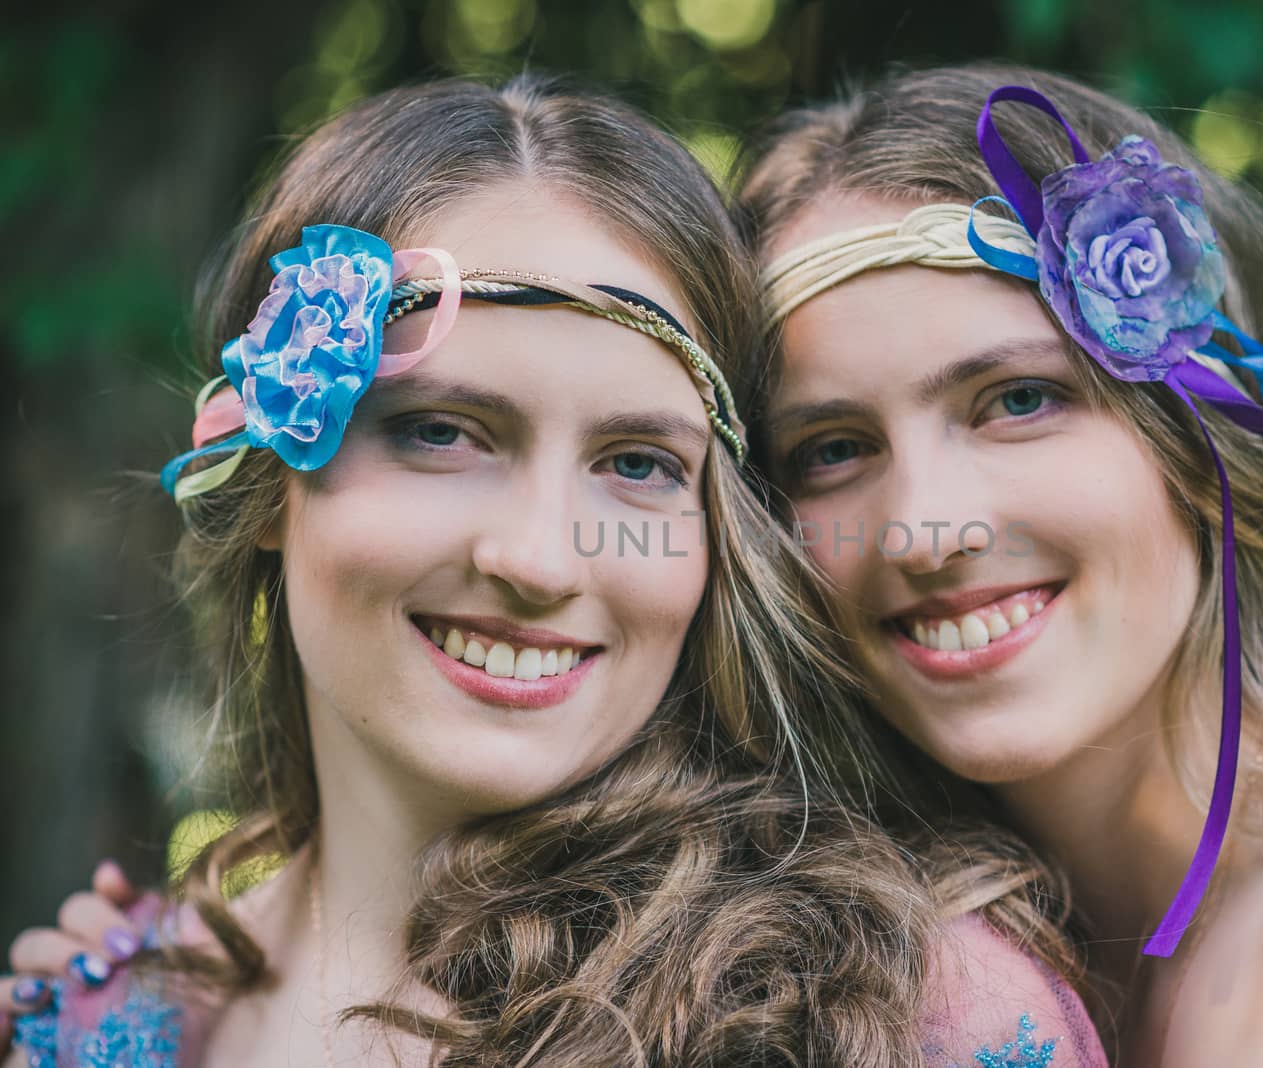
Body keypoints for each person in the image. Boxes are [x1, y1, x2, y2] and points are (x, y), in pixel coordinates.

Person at [0, 73, 1107, 1067]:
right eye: (441, 433)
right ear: (268, 476)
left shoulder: (901, 1018)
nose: (538, 560)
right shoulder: (97, 1021)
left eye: (635, 463)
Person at [739, 62, 1263, 1066]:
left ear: (1196, 438)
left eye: (1017, 400)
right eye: (831, 450)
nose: (923, 533)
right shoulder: (882, 962)